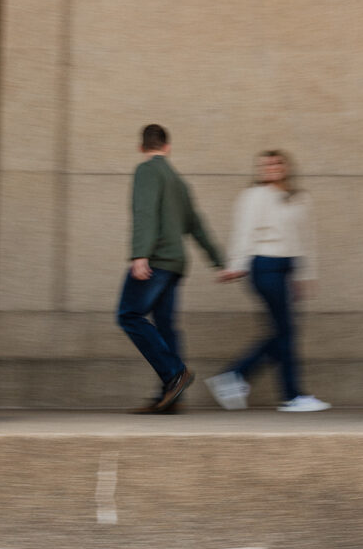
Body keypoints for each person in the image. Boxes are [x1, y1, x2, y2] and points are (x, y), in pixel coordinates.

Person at [208, 150, 331, 412]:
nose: (271, 167)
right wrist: (236, 265)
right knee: (286, 331)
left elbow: (308, 240)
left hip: (289, 267)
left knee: (283, 332)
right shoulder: (254, 196)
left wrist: (306, 275)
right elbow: (244, 231)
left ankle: (236, 376)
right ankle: (291, 395)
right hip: (264, 265)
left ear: (286, 166)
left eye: (276, 163)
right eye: (265, 164)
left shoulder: (300, 198)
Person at [117, 124, 225, 414]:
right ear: (167, 146)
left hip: (156, 260)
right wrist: (219, 260)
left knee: (128, 314)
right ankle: (171, 398)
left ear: (141, 147)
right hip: (175, 264)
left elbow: (145, 211)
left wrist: (140, 255)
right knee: (165, 327)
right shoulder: (178, 181)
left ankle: (175, 373)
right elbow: (196, 224)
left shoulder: (146, 171)